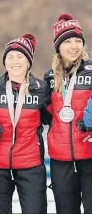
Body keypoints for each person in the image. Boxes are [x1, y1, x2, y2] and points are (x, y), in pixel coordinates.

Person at [0, 33, 50, 214]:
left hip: (31, 165)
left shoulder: (41, 88)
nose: (15, 61)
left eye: (20, 56)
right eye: (10, 57)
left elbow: (54, 119)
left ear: (28, 62)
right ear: (4, 62)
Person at [43, 13, 92, 214]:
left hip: (89, 153)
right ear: (58, 47)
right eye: (68, 41)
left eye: (78, 41)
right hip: (61, 158)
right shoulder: (49, 78)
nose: (73, 46)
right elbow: (45, 115)